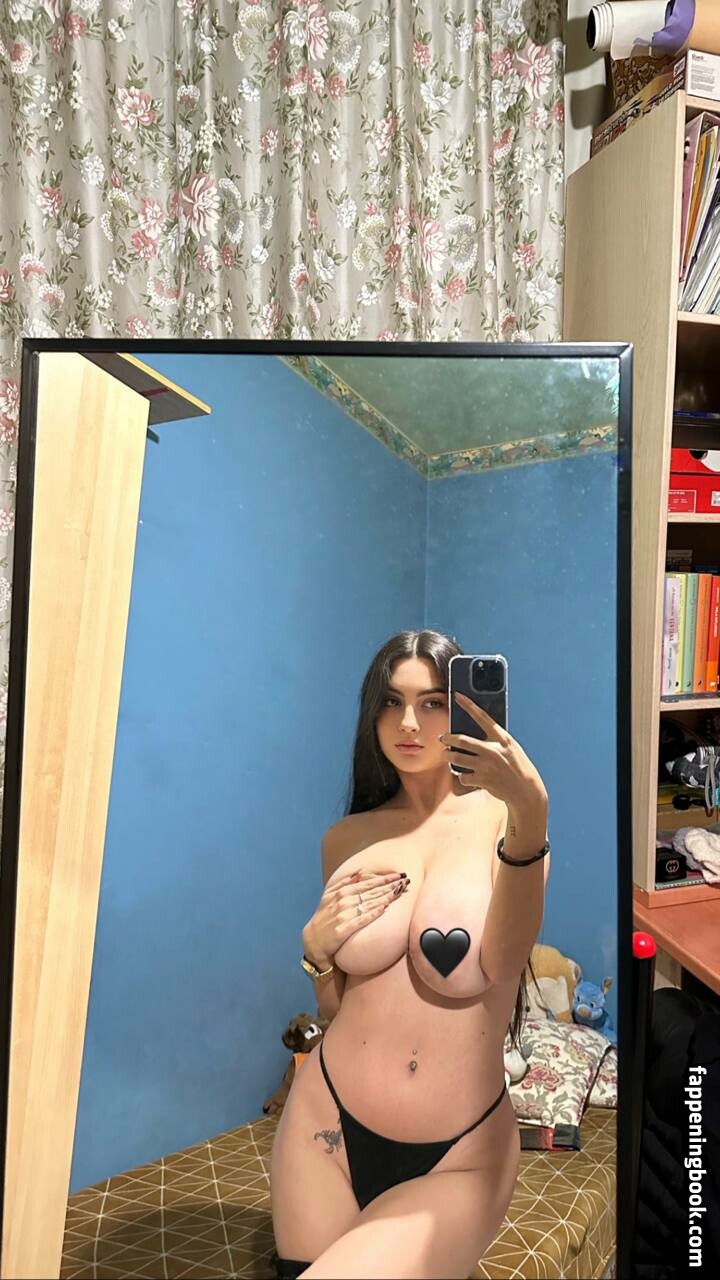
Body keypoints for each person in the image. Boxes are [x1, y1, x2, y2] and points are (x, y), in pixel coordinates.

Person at [269, 629, 550, 1280]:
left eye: (432, 703)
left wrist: (531, 812)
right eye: (391, 703)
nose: (408, 724)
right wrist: (315, 955)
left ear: (464, 709)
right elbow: (339, 1009)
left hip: (459, 1153)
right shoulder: (347, 839)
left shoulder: (507, 822)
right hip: (324, 1128)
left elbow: (506, 962)